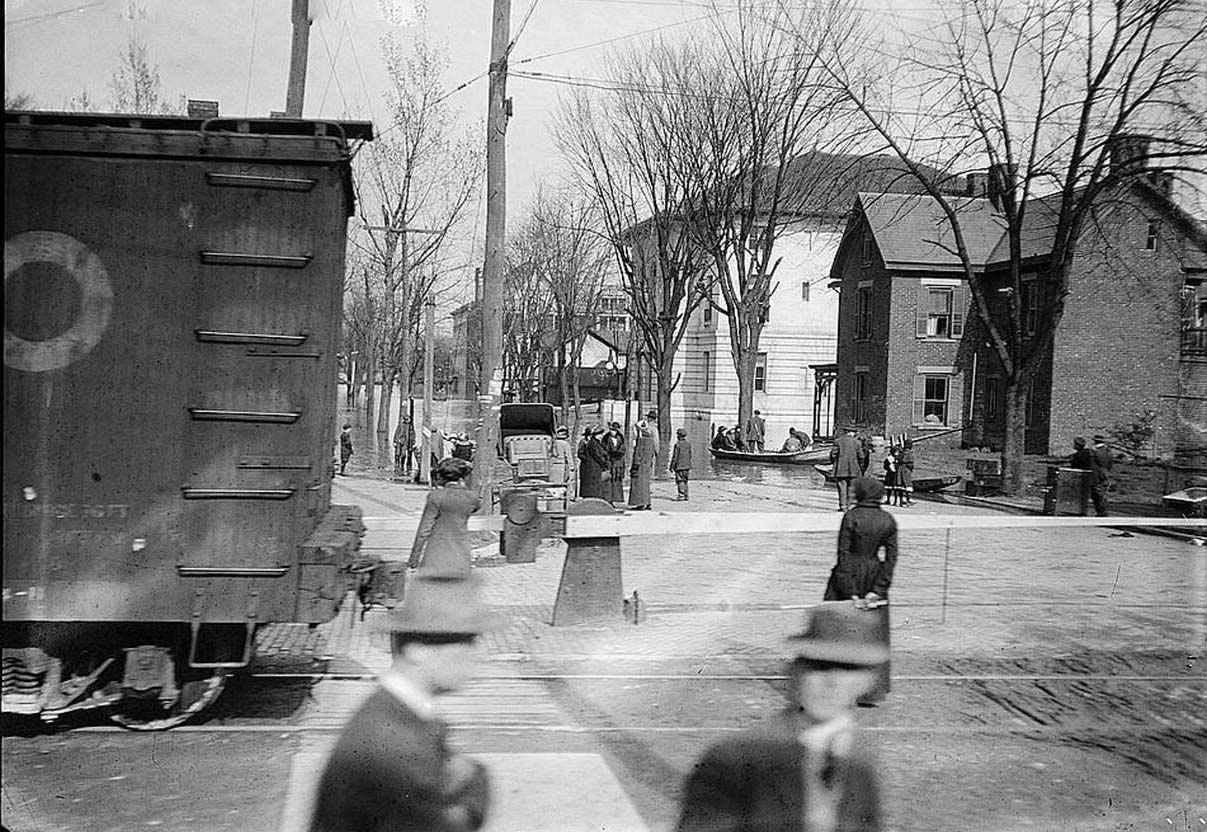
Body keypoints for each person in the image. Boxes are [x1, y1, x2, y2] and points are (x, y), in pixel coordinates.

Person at [674, 602, 887, 832]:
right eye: (820, 666)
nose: (832, 682)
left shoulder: (861, 760)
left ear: (869, 681)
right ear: (794, 672)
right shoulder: (733, 760)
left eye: (848, 669)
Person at [308, 569, 493, 832]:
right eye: (466, 641)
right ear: (417, 651)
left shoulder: (391, 711)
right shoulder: (397, 742)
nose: (477, 656)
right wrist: (476, 785)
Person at [823, 476, 897, 705]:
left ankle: (838, 690)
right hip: (874, 573)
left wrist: (850, 591)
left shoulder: (851, 516)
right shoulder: (888, 519)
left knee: (838, 634)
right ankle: (869, 691)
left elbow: (842, 554)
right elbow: (891, 558)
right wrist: (878, 589)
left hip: (849, 574)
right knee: (872, 637)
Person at [409, 458, 480, 573]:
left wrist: (414, 560)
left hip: (436, 551)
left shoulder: (436, 497)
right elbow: (476, 507)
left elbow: (424, 531)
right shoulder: (472, 498)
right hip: (461, 551)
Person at [829, 424, 863, 511]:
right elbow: (861, 456)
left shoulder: (838, 441)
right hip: (854, 469)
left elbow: (833, 454)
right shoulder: (857, 442)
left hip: (841, 468)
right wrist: (860, 466)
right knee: (851, 487)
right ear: (851, 433)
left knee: (842, 487)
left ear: (845, 432)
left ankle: (842, 506)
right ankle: (849, 505)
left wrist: (834, 463)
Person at [628, 420, 656, 510]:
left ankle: (640, 503)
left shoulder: (641, 441)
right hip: (647, 466)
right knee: (646, 485)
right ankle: (647, 502)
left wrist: (634, 467)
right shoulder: (651, 441)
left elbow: (638, 455)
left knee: (638, 485)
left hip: (640, 467)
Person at [577, 426, 610, 500]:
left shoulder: (596, 443)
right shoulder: (592, 443)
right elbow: (596, 455)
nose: (601, 436)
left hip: (595, 466)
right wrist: (604, 462)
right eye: (600, 435)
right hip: (592, 466)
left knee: (595, 484)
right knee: (592, 484)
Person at [602, 421, 627, 504]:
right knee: (608, 481)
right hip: (609, 462)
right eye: (611, 430)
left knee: (617, 481)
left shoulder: (621, 438)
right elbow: (603, 450)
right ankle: (608, 499)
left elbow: (623, 450)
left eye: (614, 430)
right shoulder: (605, 438)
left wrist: (619, 456)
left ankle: (616, 498)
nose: (613, 432)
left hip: (618, 463)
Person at [1069, 436, 1094, 516]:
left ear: (1077, 445)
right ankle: (1082, 510)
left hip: (1079, 477)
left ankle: (1077, 511)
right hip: (1087, 477)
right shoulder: (1089, 453)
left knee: (1078, 494)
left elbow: (1075, 466)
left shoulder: (1078, 455)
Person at [1090, 434, 1114, 516]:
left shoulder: (1096, 451)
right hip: (1105, 473)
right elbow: (1110, 464)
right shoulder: (1108, 451)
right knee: (1101, 493)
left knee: (1097, 494)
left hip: (1096, 475)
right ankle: (1101, 511)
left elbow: (1093, 462)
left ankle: (1102, 512)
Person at [550, 425, 576, 500]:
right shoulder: (565, 444)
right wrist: (571, 467)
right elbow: (568, 456)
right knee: (562, 483)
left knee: (554, 484)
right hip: (561, 465)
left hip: (552, 466)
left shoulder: (552, 443)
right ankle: (562, 499)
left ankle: (553, 499)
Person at [669, 428, 693, 501]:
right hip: (687, 466)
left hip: (679, 466)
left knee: (680, 481)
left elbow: (675, 456)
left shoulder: (678, 444)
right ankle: (686, 495)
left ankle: (681, 495)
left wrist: (671, 466)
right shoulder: (688, 444)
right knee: (685, 481)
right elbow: (690, 455)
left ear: (679, 436)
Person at [897, 439, 915, 508]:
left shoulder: (901, 453)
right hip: (906, 470)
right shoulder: (909, 454)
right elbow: (910, 464)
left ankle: (901, 501)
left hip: (900, 470)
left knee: (901, 486)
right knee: (908, 485)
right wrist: (911, 468)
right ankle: (908, 501)